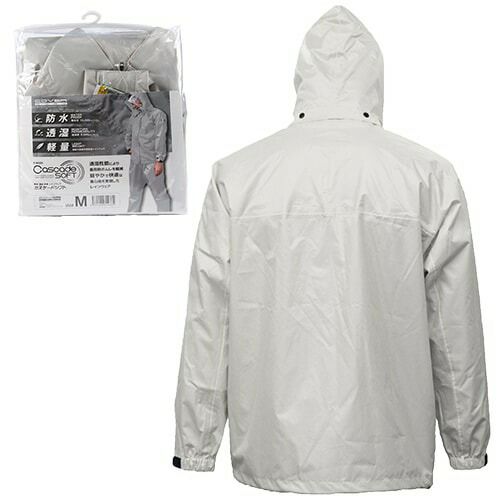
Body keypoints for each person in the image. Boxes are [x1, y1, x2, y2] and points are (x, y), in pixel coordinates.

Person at [125, 94, 171, 212]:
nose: (133, 104)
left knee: (160, 195)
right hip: (135, 163)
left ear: (142, 99)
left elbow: (160, 137)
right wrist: (129, 148)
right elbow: (128, 134)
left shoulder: (157, 114)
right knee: (134, 195)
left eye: (135, 100)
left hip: (151, 162)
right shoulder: (134, 116)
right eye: (132, 101)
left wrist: (159, 160)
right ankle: (130, 218)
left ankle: (166, 217)